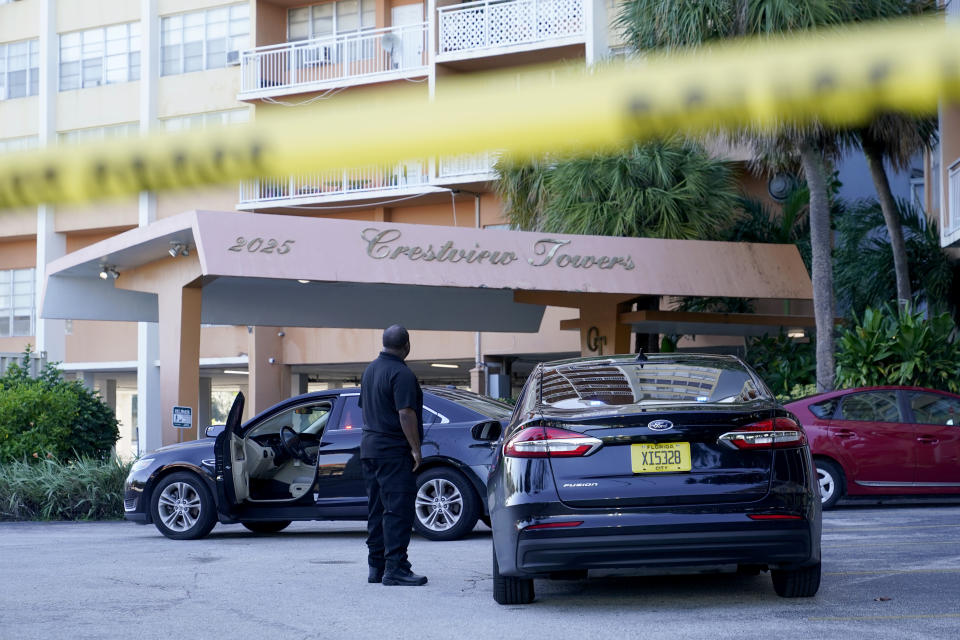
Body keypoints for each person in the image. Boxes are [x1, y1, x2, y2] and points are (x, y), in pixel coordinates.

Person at [358, 324, 427, 586]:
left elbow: (366, 408)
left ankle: (376, 566)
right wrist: (415, 449)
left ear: (384, 343)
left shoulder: (370, 370)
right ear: (407, 345)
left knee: (376, 509)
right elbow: (405, 413)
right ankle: (396, 568)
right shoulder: (401, 373)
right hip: (393, 451)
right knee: (397, 510)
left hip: (369, 448)